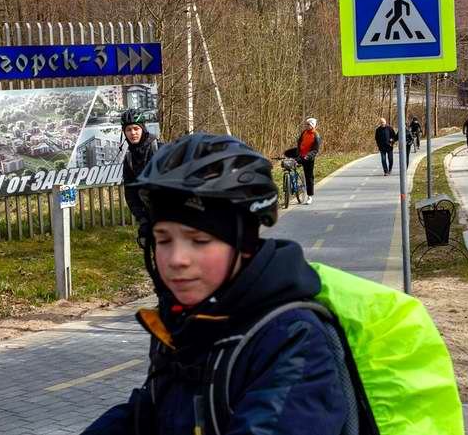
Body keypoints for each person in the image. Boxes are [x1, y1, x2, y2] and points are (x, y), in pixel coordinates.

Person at [81, 133, 348, 435]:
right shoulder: (182, 321)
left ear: (245, 245)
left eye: (199, 240)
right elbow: (149, 415)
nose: (177, 259)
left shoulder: (293, 340)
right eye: (163, 239)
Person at [120, 108, 160, 246]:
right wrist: (142, 219)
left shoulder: (159, 149)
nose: (133, 133)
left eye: (136, 128)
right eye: (128, 130)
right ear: (124, 132)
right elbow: (130, 191)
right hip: (149, 215)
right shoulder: (130, 158)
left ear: (143, 128)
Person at [284, 117, 321, 205]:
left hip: (308, 158)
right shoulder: (304, 132)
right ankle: (291, 182)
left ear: (313, 125)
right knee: (287, 154)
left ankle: (309, 196)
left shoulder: (316, 135)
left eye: (308, 124)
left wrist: (307, 156)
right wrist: (298, 152)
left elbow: (315, 150)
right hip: (301, 154)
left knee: (309, 177)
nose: (306, 126)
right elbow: (300, 142)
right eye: (306, 124)